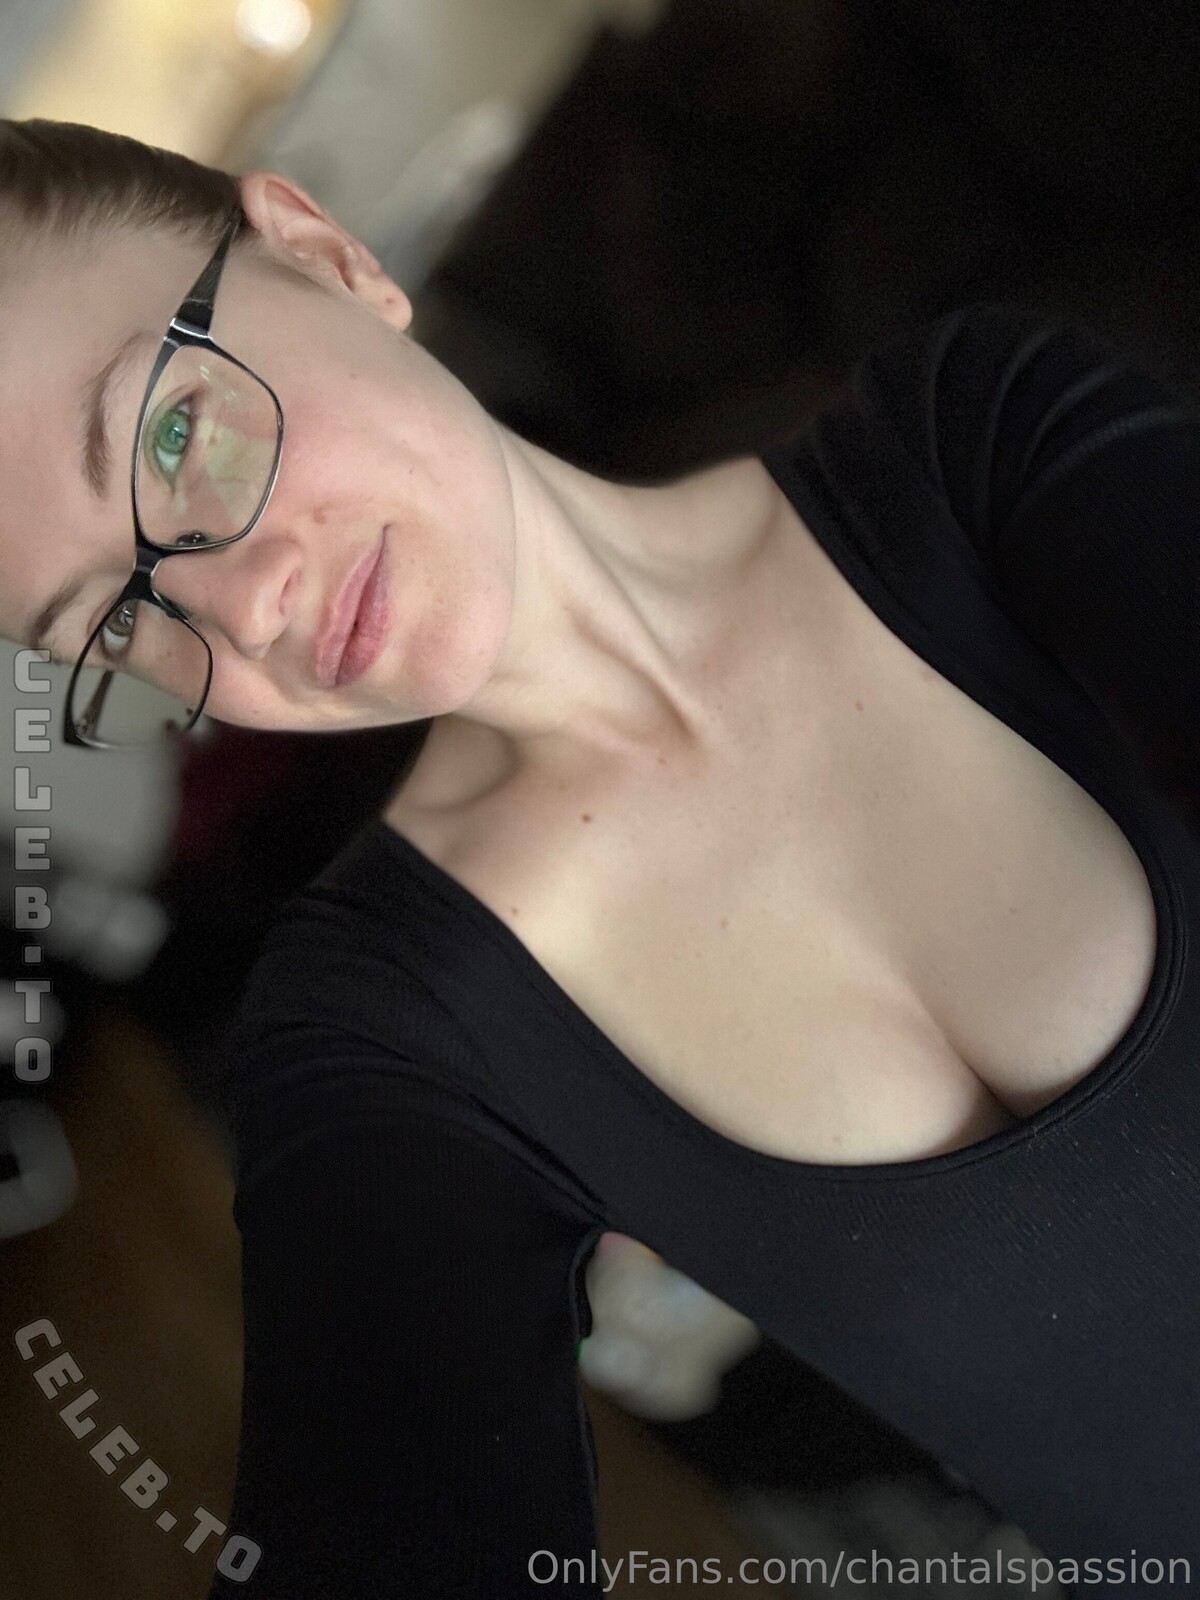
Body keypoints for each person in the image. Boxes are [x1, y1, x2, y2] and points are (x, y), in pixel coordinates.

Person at [1, 118, 1197, 1599]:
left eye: (174, 437)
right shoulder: (376, 1033)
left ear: (324, 256)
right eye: (117, 619)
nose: (238, 611)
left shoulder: (982, 438)